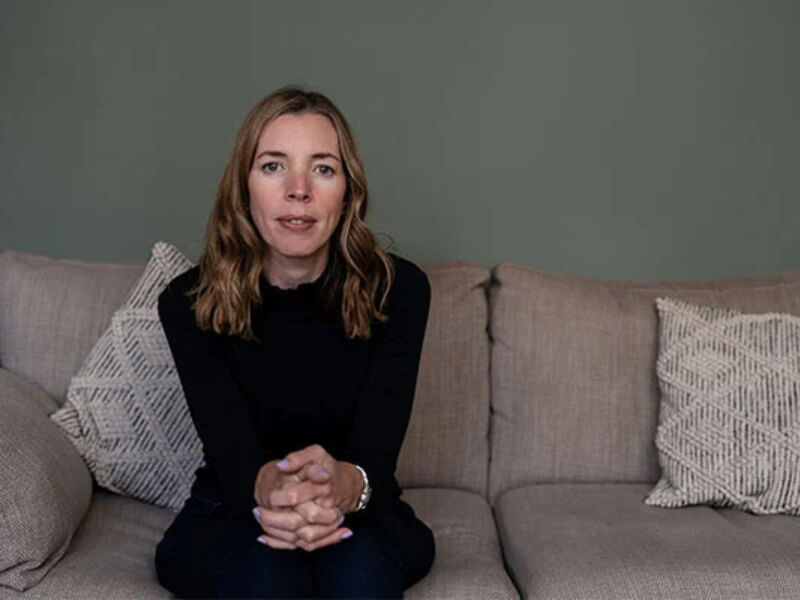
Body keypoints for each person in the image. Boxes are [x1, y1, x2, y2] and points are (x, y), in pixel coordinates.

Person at [153, 86, 435, 599]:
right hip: (233, 505)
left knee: (358, 576)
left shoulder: (402, 292)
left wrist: (340, 487)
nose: (298, 189)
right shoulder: (186, 303)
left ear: (348, 191)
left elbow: (374, 452)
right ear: (244, 188)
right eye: (274, 166)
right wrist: (273, 491)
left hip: (361, 509)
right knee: (267, 577)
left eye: (323, 169)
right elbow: (232, 452)